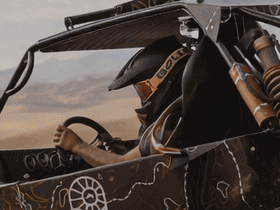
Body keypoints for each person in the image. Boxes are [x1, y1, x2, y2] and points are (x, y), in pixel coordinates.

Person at [51, 36, 188, 167]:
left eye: (143, 90)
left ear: (166, 81)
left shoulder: (173, 123)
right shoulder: (187, 115)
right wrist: (124, 150)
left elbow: (124, 165)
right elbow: (137, 157)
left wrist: (77, 146)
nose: (143, 100)